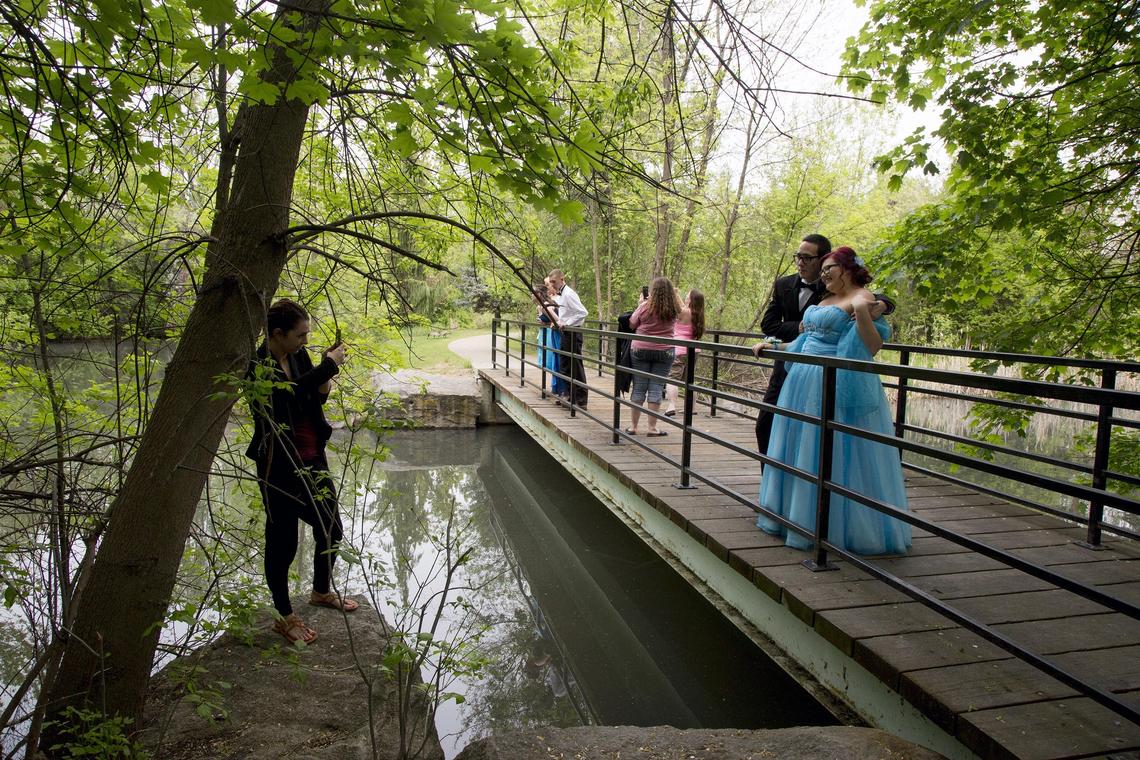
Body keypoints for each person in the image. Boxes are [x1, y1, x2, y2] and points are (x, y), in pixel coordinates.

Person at [753, 248, 911, 555]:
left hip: (832, 383)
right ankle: (793, 518)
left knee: (830, 449)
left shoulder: (864, 298)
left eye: (830, 268)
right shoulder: (823, 299)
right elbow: (805, 341)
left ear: (848, 269)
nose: (823, 274)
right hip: (800, 382)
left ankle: (832, 526)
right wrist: (772, 345)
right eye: (822, 269)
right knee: (800, 446)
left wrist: (865, 310)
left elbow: (872, 346)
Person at [245, 299, 359, 644]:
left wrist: (325, 378)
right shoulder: (257, 365)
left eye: (307, 334)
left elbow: (313, 398)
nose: (304, 341)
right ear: (277, 334)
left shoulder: (297, 356)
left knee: (331, 528)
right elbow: (285, 399)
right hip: (278, 464)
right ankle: (285, 616)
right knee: (283, 542)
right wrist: (326, 368)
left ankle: (320, 592)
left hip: (312, 456)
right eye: (300, 335)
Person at [755, 234, 890, 453]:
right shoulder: (784, 285)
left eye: (807, 258)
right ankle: (777, 485)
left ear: (822, 260)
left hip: (828, 376)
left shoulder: (829, 285)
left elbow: (866, 298)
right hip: (792, 370)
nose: (800, 262)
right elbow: (769, 325)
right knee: (767, 427)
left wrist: (883, 304)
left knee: (819, 439)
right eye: (798, 256)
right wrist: (794, 332)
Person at [625, 276, 681, 436]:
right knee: (656, 387)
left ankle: (633, 427)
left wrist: (640, 304)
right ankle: (652, 428)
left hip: (640, 349)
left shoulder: (645, 306)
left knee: (639, 386)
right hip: (665, 351)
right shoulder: (673, 309)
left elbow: (632, 323)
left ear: (652, 291)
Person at [548, 269, 589, 409]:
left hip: (573, 333)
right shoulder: (562, 294)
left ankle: (581, 399)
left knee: (576, 366)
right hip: (566, 333)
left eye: (554, 282)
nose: (552, 285)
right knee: (565, 365)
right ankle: (571, 396)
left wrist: (567, 323)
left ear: (562, 279)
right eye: (551, 282)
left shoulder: (569, 294)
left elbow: (583, 312)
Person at [663, 288, 705, 417]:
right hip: (694, 350)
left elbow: (678, 306)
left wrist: (674, 293)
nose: (686, 297)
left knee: (672, 379)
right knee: (689, 380)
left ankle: (671, 406)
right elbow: (681, 305)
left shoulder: (685, 312)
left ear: (691, 300)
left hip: (679, 349)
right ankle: (692, 408)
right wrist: (677, 294)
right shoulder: (699, 314)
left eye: (687, 296)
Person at [534, 281, 565, 397]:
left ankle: (560, 389)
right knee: (555, 359)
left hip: (555, 333)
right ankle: (557, 388)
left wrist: (554, 322)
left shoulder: (546, 305)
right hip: (551, 332)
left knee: (556, 358)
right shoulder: (542, 306)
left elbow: (557, 319)